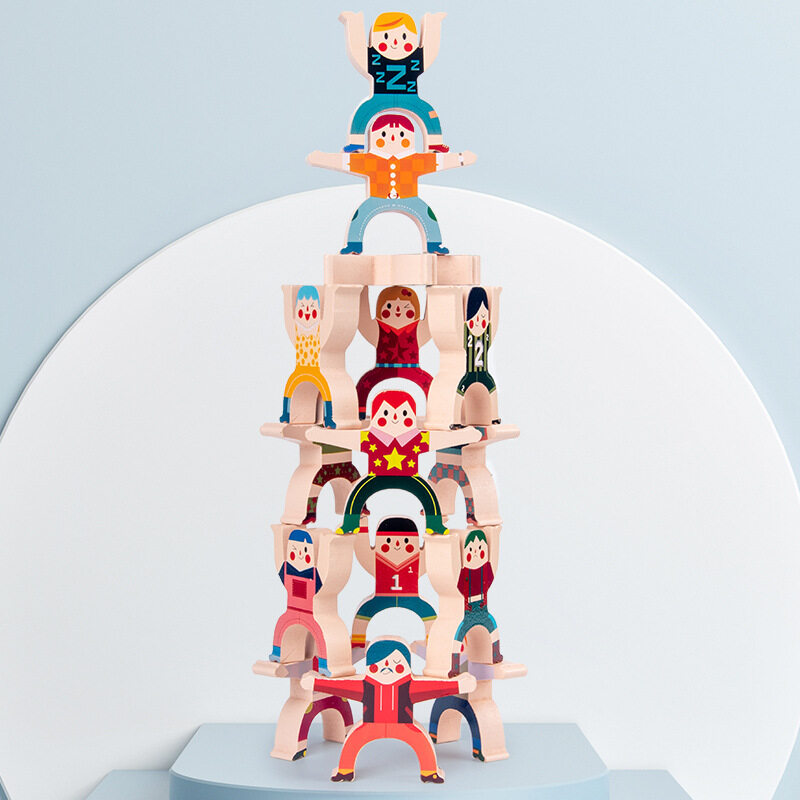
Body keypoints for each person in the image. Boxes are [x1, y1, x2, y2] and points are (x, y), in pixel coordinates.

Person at [301, 639, 476, 783]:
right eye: (377, 666)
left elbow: (436, 687)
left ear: (406, 666)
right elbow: (339, 686)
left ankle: (430, 773)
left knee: (422, 742)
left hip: (404, 725)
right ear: (369, 667)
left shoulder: (410, 686)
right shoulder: (364, 685)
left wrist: (459, 685)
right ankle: (345, 771)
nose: (386, 667)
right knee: (353, 741)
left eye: (396, 664)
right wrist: (316, 683)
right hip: (370, 724)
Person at [308, 389, 481, 534]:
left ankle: (434, 523)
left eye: (404, 413)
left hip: (410, 476)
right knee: (357, 494)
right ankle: (351, 523)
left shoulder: (416, 438)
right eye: (386, 413)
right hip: (375, 476)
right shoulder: (370, 437)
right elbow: (345, 438)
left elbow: (441, 439)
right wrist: (320, 435)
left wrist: (465, 435)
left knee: (428, 494)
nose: (395, 418)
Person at [307, 114, 475, 254]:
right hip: (377, 198)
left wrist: (461, 158)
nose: (393, 138)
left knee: (426, 215)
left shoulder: (415, 160)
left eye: (402, 134)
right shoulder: (370, 160)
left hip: (410, 198)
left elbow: (439, 161)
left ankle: (434, 244)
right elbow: (345, 161)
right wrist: (322, 159)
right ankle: (354, 245)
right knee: (361, 214)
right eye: (384, 134)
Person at [339, 11, 448, 153]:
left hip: (410, 97)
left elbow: (430, 49)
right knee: (362, 113)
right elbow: (357, 48)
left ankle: (435, 145)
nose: (395, 43)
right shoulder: (373, 58)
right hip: (379, 96)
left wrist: (433, 23)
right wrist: (353, 22)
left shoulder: (416, 58)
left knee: (429, 114)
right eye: (386, 36)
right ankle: (356, 145)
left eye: (404, 37)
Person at [351, 516, 436, 649]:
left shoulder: (419, 559)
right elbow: (362, 549)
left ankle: (434, 644)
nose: (397, 545)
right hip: (381, 596)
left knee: (429, 614)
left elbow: (432, 547)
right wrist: (362, 522)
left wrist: (430, 522)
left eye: (406, 541)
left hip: (411, 597)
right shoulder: (377, 559)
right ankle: (357, 644)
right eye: (388, 540)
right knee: (362, 614)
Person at [356, 285, 432, 419]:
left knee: (432, 388)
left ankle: (435, 414)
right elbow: (363, 319)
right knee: (364, 385)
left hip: (412, 368)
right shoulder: (378, 328)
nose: (397, 310)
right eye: (389, 306)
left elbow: (432, 318)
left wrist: (431, 292)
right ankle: (360, 414)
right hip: (382, 368)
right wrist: (364, 288)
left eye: (405, 307)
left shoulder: (418, 329)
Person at [270, 529, 329, 675]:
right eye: (294, 550)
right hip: (292, 609)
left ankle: (324, 664)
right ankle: (277, 653)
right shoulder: (287, 570)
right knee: (282, 624)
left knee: (321, 634)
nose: (300, 554)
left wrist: (326, 543)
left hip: (312, 613)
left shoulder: (314, 574)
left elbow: (324, 568)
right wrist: (278, 534)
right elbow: (279, 560)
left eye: (305, 550)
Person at [280, 285, 335, 428]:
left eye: (312, 307)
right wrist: (287, 293)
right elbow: (289, 319)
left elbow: (329, 319)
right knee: (290, 386)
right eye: (302, 307)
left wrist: (331, 294)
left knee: (326, 389)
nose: (307, 312)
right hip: (301, 367)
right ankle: (286, 414)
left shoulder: (320, 328)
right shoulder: (296, 327)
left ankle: (328, 417)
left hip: (317, 368)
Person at [450, 529, 503, 676]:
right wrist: (453, 544)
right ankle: (455, 667)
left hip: (482, 610)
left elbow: (493, 564)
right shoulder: (463, 573)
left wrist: (494, 534)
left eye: (480, 548)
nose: (475, 552)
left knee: (493, 628)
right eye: (471, 549)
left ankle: (496, 654)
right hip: (467, 613)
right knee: (458, 637)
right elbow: (455, 573)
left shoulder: (486, 571)